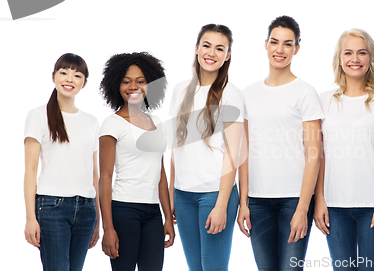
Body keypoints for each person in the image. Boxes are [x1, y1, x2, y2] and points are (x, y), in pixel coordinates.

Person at [237, 15, 323, 270]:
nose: (280, 49)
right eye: (275, 42)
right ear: (265, 44)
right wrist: (243, 202)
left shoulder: (305, 92)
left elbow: (314, 155)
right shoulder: (248, 93)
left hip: (293, 200)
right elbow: (244, 152)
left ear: (296, 48)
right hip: (257, 201)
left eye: (288, 44)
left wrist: (303, 208)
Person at [313, 29, 374, 270]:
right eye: (348, 53)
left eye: (362, 53)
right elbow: (319, 156)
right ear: (340, 59)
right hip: (334, 206)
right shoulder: (323, 100)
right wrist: (319, 200)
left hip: (373, 205)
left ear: (370, 58)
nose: (355, 59)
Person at [169, 24, 244, 271]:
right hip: (183, 196)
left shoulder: (231, 94)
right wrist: (171, 194)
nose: (211, 53)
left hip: (214, 195)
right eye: (207, 45)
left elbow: (234, 153)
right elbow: (175, 148)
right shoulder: (180, 89)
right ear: (197, 49)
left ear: (227, 56)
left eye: (219, 48)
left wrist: (222, 204)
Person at [99, 52, 174, 271]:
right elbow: (105, 176)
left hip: (152, 213)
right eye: (126, 81)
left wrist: (167, 217)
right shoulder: (112, 124)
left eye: (140, 81)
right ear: (116, 84)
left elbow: (160, 174)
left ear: (150, 84)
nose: (134, 86)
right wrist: (108, 228)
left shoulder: (157, 122)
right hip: (123, 210)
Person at [24, 53, 100, 271]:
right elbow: (30, 171)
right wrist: (30, 218)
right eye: (63, 72)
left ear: (83, 83)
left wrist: (98, 221)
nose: (69, 79)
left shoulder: (91, 121)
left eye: (77, 75)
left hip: (86, 209)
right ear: (53, 76)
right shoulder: (38, 115)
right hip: (51, 207)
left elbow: (94, 173)